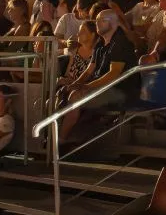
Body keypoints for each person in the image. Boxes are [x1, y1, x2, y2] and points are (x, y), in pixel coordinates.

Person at [57, 9, 136, 140]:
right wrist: (76, 83)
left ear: (114, 24)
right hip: (101, 87)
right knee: (63, 91)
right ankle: (58, 136)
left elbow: (113, 74)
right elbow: (90, 69)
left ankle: (61, 140)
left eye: (102, 20)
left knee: (75, 96)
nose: (98, 23)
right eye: (97, 20)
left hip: (118, 90)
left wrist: (86, 87)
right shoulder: (100, 43)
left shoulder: (120, 43)